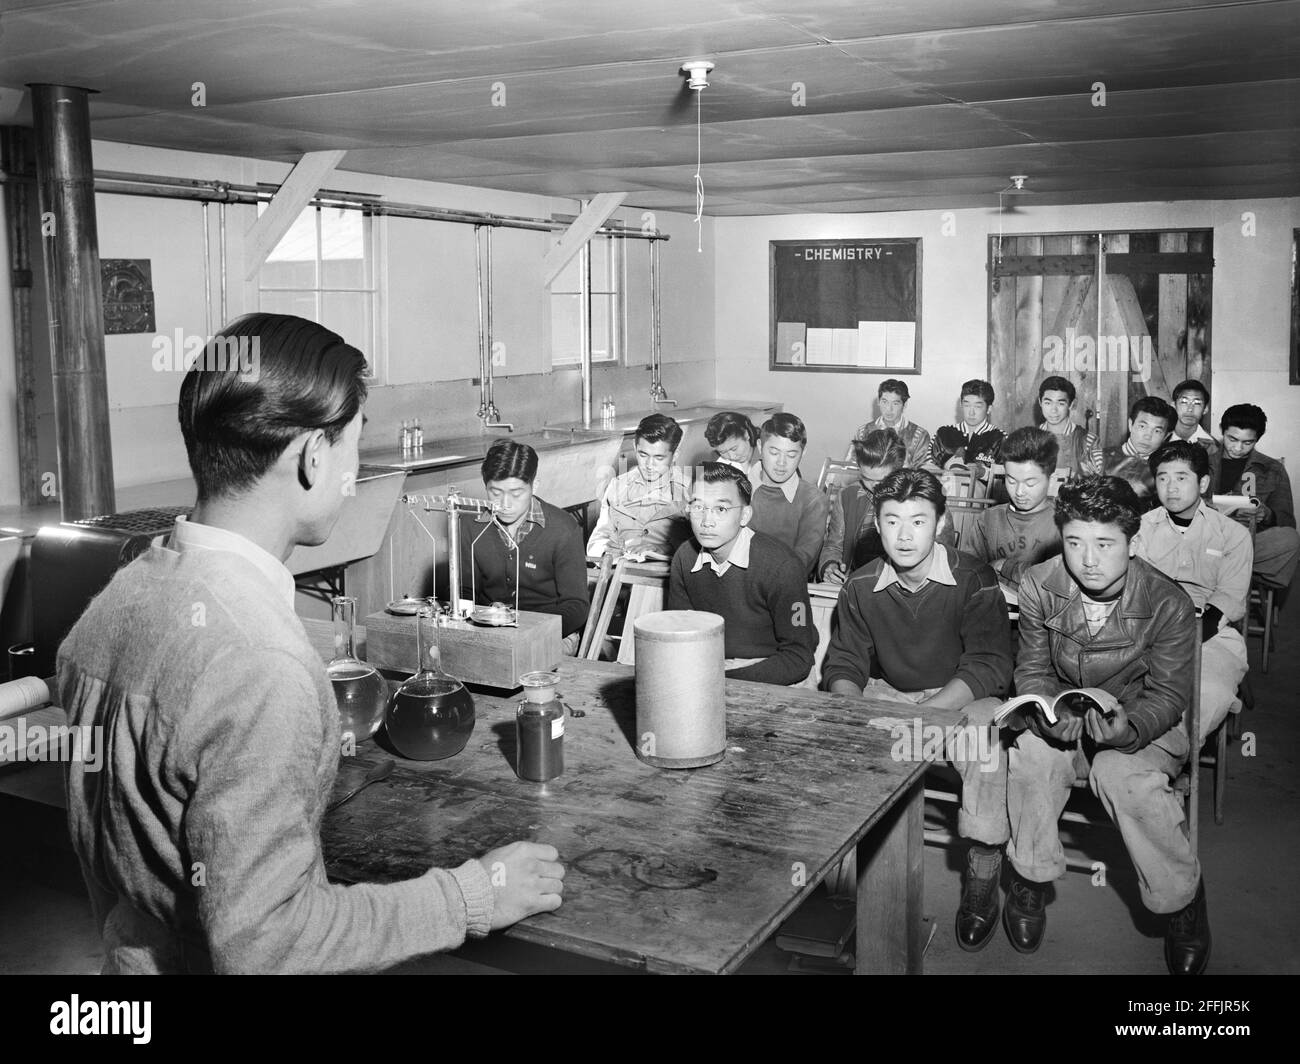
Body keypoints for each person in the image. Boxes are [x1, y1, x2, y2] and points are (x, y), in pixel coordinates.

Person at [56, 314, 564, 974]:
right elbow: (268, 947)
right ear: (312, 458)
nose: (355, 469)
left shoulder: (116, 603)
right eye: (356, 444)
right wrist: (473, 896)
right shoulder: (262, 663)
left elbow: (105, 855)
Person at [1003, 476, 1208, 976]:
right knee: (1030, 756)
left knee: (1121, 777)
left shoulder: (1168, 602)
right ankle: (1030, 874)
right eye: (1074, 542)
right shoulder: (1038, 584)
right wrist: (1051, 715)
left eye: (1104, 544)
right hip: (1067, 718)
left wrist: (1128, 728)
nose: (1087, 559)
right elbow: (1032, 670)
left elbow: (1169, 694)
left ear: (1132, 543)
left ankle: (1182, 898)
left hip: (1141, 724)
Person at [820, 468, 1013, 953]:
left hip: (962, 693)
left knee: (986, 746)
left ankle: (984, 866)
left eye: (918, 521)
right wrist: (851, 714)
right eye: (891, 521)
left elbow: (989, 663)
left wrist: (933, 714)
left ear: (941, 522)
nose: (904, 535)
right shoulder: (861, 585)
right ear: (877, 525)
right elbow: (844, 662)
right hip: (892, 693)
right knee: (838, 739)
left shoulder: (974, 578)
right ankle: (844, 880)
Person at [1136, 441, 1251, 743]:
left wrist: (1183, 642)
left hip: (1210, 633)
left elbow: (1226, 602)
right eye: (1162, 478)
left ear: (1203, 482)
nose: (1170, 487)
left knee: (1207, 691)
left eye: (1181, 477)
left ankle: (1172, 752)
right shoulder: (1141, 528)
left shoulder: (1232, 534)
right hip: (1146, 628)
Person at [667, 462, 816, 686]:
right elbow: (680, 638)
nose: (707, 521)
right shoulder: (685, 557)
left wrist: (720, 680)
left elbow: (799, 658)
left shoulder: (783, 566)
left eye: (721, 509)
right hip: (712, 667)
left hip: (776, 671)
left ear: (745, 515)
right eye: (698, 507)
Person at [460, 439, 589, 654]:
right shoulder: (470, 526)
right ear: (485, 487)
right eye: (496, 493)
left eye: (516, 493)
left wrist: (528, 630)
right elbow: (463, 591)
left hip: (551, 634)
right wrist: (484, 615)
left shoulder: (563, 528)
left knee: (523, 662)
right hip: (489, 629)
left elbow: (577, 606)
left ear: (534, 486)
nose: (506, 504)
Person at [1210, 403, 1299, 590]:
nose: (1238, 448)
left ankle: (1223, 563)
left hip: (1248, 544)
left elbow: (1287, 521)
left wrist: (1266, 514)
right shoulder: (1201, 461)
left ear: (1258, 439)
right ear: (1222, 431)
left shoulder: (1272, 469)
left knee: (1290, 538)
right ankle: (1228, 564)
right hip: (1205, 538)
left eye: (1248, 442)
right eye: (1232, 439)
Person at [964, 427, 1062, 590]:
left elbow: (1059, 579)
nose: (1019, 492)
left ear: (1051, 480)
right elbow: (968, 573)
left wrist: (1006, 566)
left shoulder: (1064, 523)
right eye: (1011, 480)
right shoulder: (988, 520)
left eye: (1030, 483)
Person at [586, 413, 690, 561]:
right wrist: (605, 551)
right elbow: (599, 538)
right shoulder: (617, 486)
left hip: (667, 576)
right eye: (643, 455)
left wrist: (663, 550)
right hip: (618, 572)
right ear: (635, 448)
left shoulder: (689, 491)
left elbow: (701, 547)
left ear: (675, 455)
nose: (649, 465)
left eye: (659, 458)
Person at [747, 412, 830, 575]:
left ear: (803, 453)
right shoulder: (736, 489)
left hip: (783, 587)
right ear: (759, 447)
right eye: (774, 452)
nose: (781, 463)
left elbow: (801, 561)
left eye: (791, 455)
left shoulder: (813, 500)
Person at [1102, 395, 1176, 508]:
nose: (1147, 436)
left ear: (1166, 436)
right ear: (1130, 425)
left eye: (1157, 431)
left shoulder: (1168, 469)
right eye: (1142, 426)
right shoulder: (1099, 458)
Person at [847, 378, 933, 469]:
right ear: (878, 401)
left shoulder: (919, 436)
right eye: (885, 402)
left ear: (905, 404)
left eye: (895, 403)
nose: (889, 409)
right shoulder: (863, 432)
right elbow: (850, 469)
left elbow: (924, 475)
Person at [931, 378, 1005, 480]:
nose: (971, 412)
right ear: (961, 405)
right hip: (945, 491)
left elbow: (1010, 473)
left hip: (981, 494)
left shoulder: (1001, 438)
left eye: (978, 406)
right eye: (967, 405)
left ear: (989, 409)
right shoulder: (943, 434)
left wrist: (984, 472)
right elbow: (929, 468)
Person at [1037, 375, 1101, 476]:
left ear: (1071, 405)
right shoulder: (1029, 439)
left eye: (1061, 404)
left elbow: (1100, 483)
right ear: (1040, 402)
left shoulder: (1088, 441)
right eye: (1048, 403)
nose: (1053, 410)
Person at [1169, 380, 1220, 459]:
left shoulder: (1212, 447)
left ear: (1205, 409)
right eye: (1184, 402)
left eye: (1197, 403)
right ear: (1173, 405)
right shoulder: (1160, 439)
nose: (1190, 409)